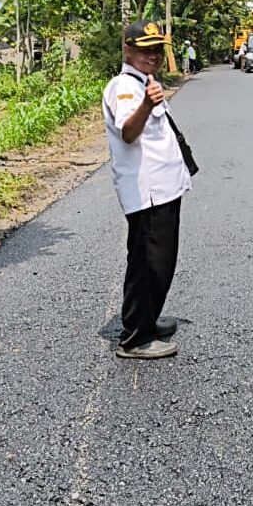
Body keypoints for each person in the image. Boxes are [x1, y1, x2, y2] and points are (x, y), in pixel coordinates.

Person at [103, 20, 192, 360]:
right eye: (145, 49)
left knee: (160, 261)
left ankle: (148, 320)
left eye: (156, 49)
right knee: (147, 264)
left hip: (164, 189)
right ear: (128, 49)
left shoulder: (144, 82)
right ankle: (135, 338)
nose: (152, 55)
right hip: (148, 192)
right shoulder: (124, 87)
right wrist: (146, 105)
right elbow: (128, 131)